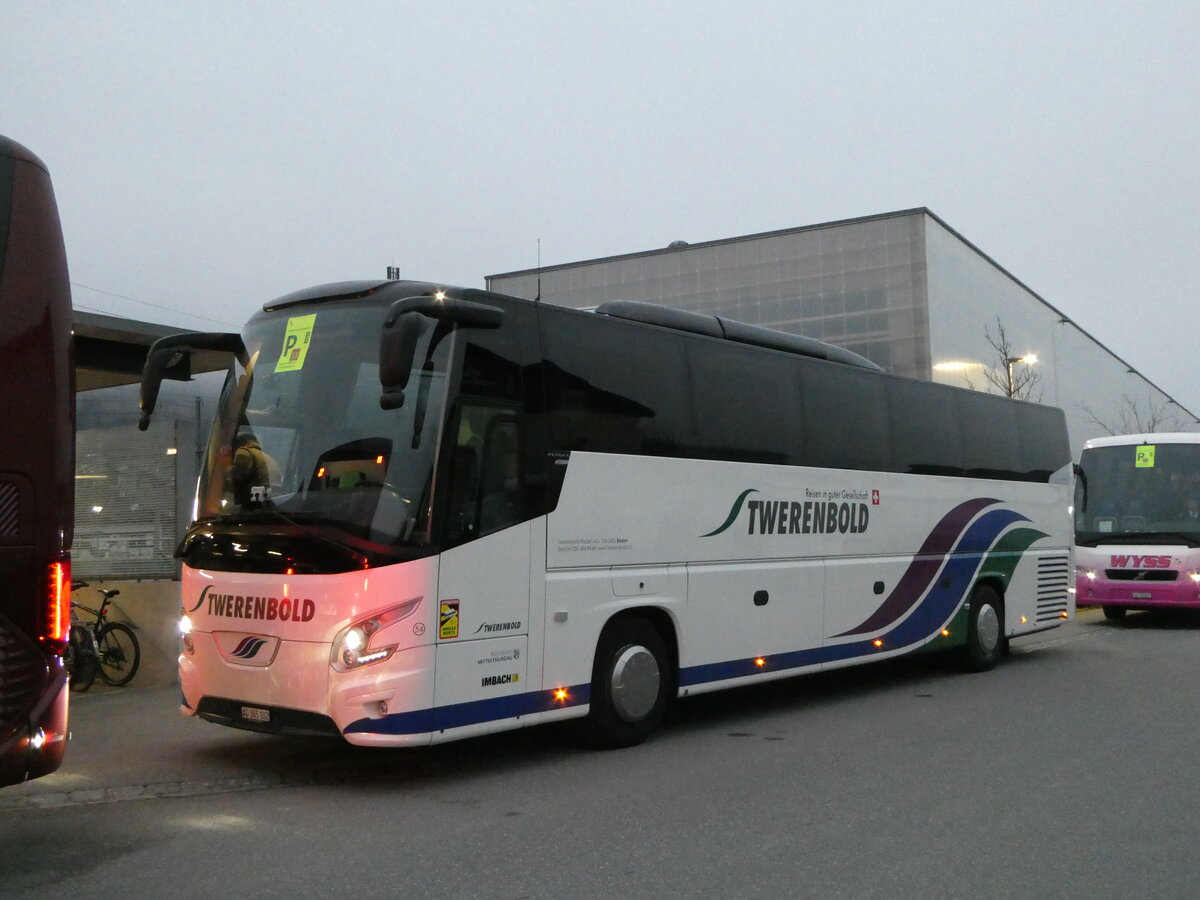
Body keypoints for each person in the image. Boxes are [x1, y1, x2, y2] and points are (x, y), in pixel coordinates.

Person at [230, 432, 277, 506]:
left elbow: (238, 477)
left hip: (256, 502)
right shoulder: (264, 455)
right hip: (273, 500)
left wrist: (224, 470)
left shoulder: (243, 452)